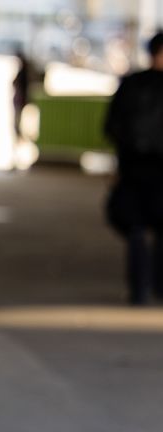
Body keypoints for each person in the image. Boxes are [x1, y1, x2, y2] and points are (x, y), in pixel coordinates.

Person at [104, 31, 163, 305]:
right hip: (151, 171)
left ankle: (139, 290)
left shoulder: (130, 84)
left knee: (136, 230)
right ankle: (157, 287)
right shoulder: (133, 85)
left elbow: (111, 127)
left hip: (133, 168)